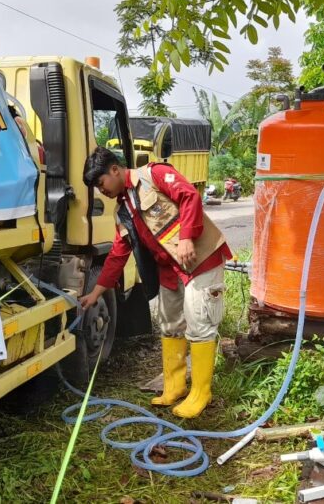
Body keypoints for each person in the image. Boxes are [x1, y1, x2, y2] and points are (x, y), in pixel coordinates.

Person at [79, 147, 231, 418]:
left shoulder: (154, 175)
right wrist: (96, 293)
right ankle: (174, 387)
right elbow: (117, 255)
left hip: (200, 260)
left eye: (101, 184)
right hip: (170, 269)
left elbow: (189, 197)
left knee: (200, 324)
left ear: (114, 169)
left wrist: (186, 237)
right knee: (169, 324)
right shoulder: (122, 210)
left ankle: (201, 393)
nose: (102, 191)